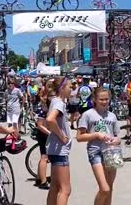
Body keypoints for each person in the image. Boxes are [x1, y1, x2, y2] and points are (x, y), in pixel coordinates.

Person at [76, 88, 120, 205]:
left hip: (111, 152)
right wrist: (96, 134)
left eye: (106, 99)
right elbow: (79, 137)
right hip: (95, 152)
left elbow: (118, 137)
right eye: (101, 99)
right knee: (104, 189)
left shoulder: (112, 116)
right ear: (94, 99)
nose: (104, 102)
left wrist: (115, 140)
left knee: (109, 188)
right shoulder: (88, 114)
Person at [46, 77, 72, 205]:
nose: (71, 90)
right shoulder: (59, 103)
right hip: (59, 150)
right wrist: (62, 136)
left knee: (55, 187)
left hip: (54, 149)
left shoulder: (56, 101)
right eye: (69, 87)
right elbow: (50, 119)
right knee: (65, 189)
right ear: (62, 88)